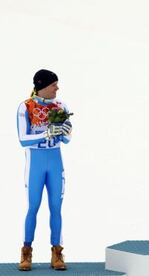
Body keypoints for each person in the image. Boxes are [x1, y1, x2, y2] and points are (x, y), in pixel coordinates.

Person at [17, 69, 73, 271]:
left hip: (55, 162)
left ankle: (57, 252)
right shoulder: (25, 106)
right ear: (42, 86)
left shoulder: (61, 105)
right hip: (35, 164)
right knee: (33, 207)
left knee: (56, 207)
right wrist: (46, 133)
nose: (57, 88)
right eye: (53, 84)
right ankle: (26, 251)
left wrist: (66, 131)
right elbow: (23, 139)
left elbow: (66, 139)